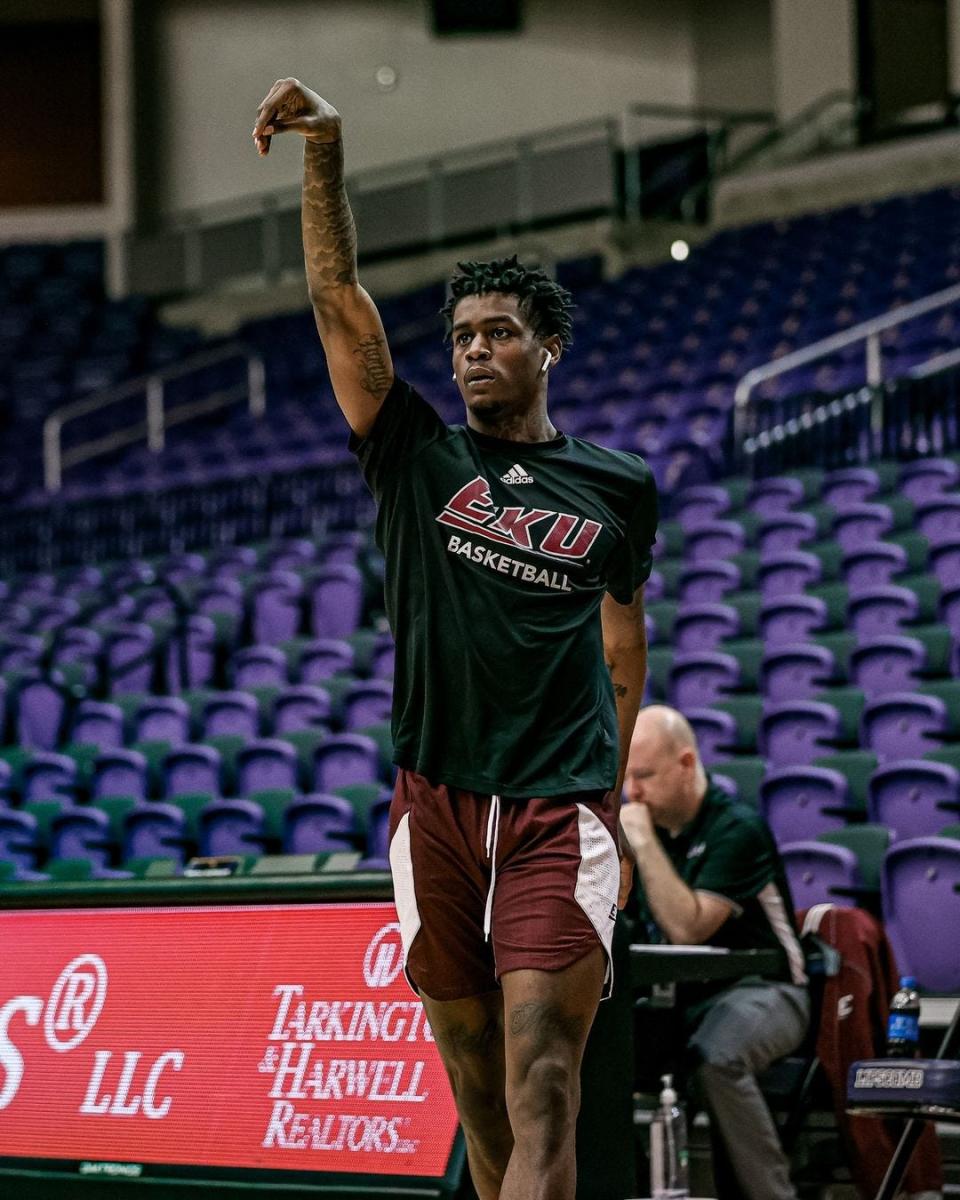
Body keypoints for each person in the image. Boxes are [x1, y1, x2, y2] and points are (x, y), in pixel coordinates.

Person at [252, 80, 658, 1200]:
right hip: (432, 802)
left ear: (549, 348)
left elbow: (625, 643)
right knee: (478, 1088)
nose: (476, 352)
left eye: (500, 334)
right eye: (464, 336)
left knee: (544, 1084)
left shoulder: (618, 488)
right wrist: (324, 149)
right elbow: (338, 297)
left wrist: (609, 804)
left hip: (553, 808)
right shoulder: (413, 454)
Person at [620, 705, 810, 1200]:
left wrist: (640, 841)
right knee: (598, 1052)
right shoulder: (651, 834)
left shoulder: (737, 829)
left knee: (718, 1054)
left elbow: (687, 927)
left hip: (769, 992)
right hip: (682, 998)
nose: (632, 794)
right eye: (626, 779)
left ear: (686, 764)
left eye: (643, 776)